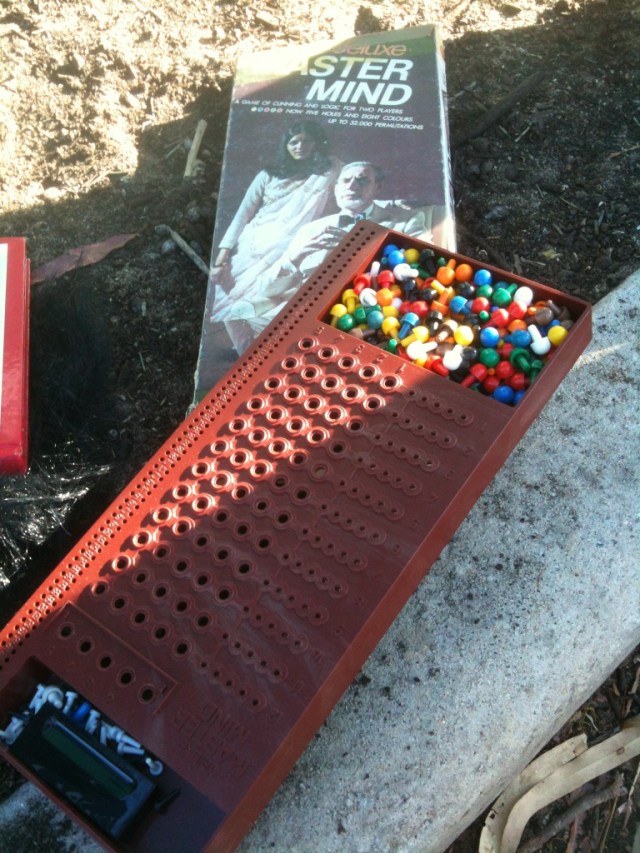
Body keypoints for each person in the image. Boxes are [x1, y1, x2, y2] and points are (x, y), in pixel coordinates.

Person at [221, 161, 446, 352]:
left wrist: (360, 249)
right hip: (305, 306)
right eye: (345, 181)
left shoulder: (405, 220)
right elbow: (267, 288)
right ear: (336, 189)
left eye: (362, 181)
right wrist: (294, 259)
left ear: (378, 187)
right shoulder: (312, 229)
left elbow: (420, 270)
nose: (352, 186)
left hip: (364, 307)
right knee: (234, 314)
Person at [211, 121, 341, 320]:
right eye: (294, 142)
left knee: (264, 304)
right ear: (285, 145)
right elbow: (242, 214)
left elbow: (356, 176)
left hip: (288, 249)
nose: (300, 147)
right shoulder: (268, 175)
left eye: (307, 141)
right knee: (229, 303)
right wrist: (222, 258)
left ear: (317, 143)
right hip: (252, 245)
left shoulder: (329, 171)